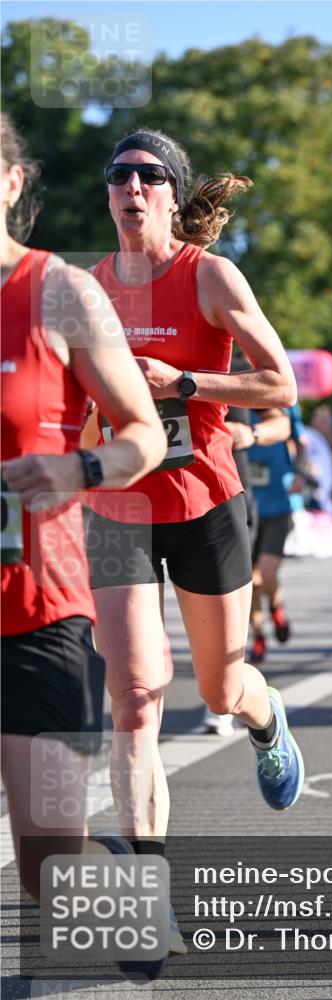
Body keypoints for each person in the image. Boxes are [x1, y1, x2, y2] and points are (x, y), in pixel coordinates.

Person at [83, 126, 305, 877]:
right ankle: (149, 881)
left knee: (220, 688)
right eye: (119, 176)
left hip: (204, 500)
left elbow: (281, 385)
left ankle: (265, 715)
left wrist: (179, 383)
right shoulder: (87, 288)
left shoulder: (209, 276)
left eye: (148, 176)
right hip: (119, 509)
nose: (131, 188)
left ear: (174, 195)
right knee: (135, 695)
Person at [1, 113, 166, 915]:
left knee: (46, 871)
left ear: (10, 182)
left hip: (37, 611)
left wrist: (74, 467)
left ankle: (121, 877)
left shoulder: (60, 291)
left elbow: (144, 439)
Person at [195, 397, 291, 734]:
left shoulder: (233, 362)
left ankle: (232, 697)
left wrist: (250, 432)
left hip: (226, 502)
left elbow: (282, 421)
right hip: (154, 505)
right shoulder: (133, 355)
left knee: (254, 581)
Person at [246, 404, 304, 665]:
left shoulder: (284, 398)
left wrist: (300, 471)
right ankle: (258, 636)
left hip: (278, 505)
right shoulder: (228, 391)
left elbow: (300, 441)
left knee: (267, 574)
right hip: (245, 504)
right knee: (249, 582)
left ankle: (276, 608)